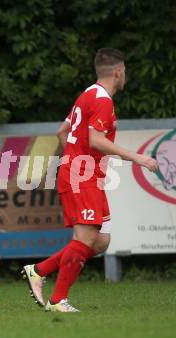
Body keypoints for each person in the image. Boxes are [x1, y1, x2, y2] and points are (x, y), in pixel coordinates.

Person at [21, 48, 158, 312]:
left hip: (84, 174)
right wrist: (137, 158)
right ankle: (58, 300)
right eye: (125, 72)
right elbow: (96, 140)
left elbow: (62, 132)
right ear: (118, 72)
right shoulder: (103, 100)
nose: (124, 76)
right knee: (85, 238)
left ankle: (39, 270)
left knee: (100, 241)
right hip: (81, 176)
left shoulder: (88, 93)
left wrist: (77, 159)